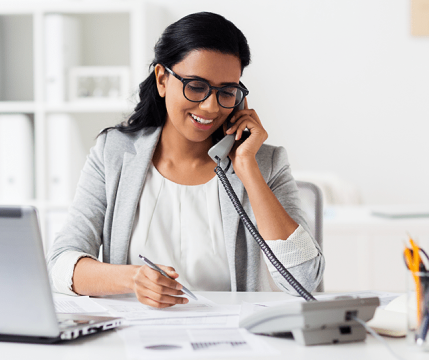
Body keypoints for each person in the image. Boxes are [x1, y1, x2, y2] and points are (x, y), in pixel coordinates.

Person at [48, 12, 324, 308]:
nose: (210, 106)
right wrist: (132, 279)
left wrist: (247, 169)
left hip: (234, 341)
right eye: (196, 86)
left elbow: (305, 280)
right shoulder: (114, 154)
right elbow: (61, 265)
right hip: (137, 342)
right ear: (162, 79)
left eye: (226, 92)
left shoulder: (265, 162)